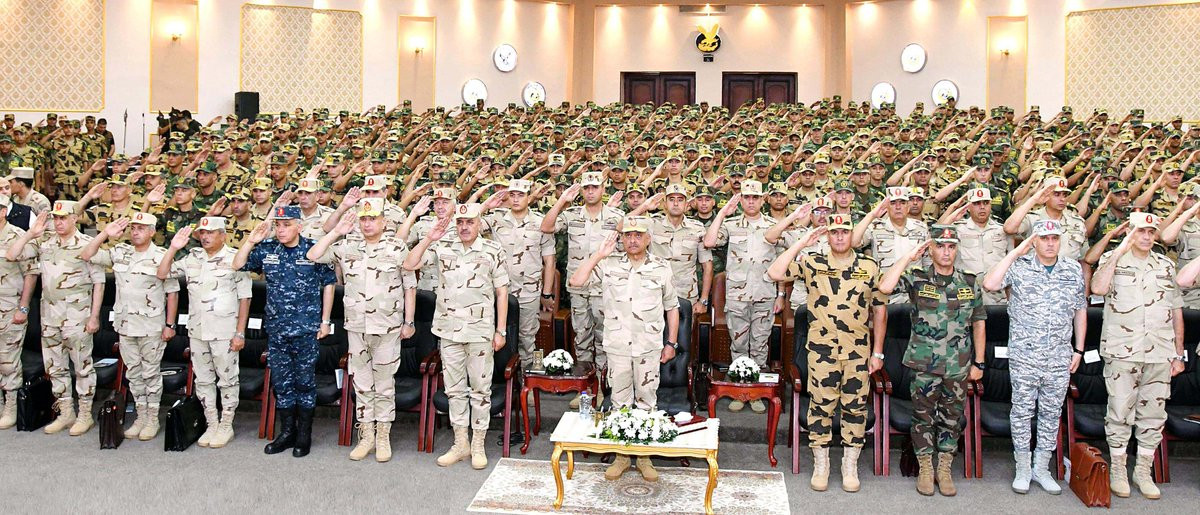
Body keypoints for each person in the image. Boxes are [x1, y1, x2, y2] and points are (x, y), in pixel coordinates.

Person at [766, 213, 884, 493]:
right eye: (834, 232)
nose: (840, 237)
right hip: (822, 351)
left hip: (857, 352)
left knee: (855, 408)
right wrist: (802, 243)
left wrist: (878, 353)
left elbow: (880, 310)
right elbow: (775, 273)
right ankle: (821, 464)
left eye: (845, 231)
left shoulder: (868, 266)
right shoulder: (813, 263)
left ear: (852, 235)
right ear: (827, 235)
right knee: (820, 407)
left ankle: (850, 464)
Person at [876, 226, 986, 496]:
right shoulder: (918, 278)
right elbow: (885, 287)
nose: (946, 252)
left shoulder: (969, 283)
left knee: (952, 418)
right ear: (931, 249)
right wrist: (909, 257)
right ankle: (925, 467)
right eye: (940, 246)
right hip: (924, 364)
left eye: (951, 247)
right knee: (922, 418)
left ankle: (944, 468)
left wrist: (979, 363)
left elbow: (979, 322)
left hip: (958, 365)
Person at [569, 216, 680, 482]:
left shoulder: (661, 267)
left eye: (638, 235)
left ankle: (643, 457)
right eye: (627, 235)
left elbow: (672, 307)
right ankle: (621, 456)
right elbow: (576, 281)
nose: (632, 240)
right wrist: (598, 255)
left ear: (648, 239)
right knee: (619, 403)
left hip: (648, 347)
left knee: (647, 401)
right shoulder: (608, 265)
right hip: (618, 346)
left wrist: (671, 343)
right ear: (621, 239)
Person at [982, 219, 1087, 495]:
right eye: (1044, 238)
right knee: (1022, 412)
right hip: (1025, 356)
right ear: (1034, 241)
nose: (1050, 243)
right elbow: (990, 283)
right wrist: (1017, 251)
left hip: (1059, 356)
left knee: (1051, 414)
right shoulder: (1019, 266)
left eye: (1055, 238)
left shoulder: (1072, 269)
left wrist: (1079, 349)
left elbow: (1079, 309)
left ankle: (1041, 468)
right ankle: (1023, 468)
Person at [309, 198, 417, 463]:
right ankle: (366, 435)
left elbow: (409, 286)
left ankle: (383, 436)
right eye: (363, 219)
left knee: (385, 384)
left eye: (373, 219)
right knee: (361, 382)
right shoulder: (347, 246)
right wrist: (336, 231)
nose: (367, 224)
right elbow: (313, 255)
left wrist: (409, 322)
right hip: (356, 326)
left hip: (387, 326)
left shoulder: (397, 247)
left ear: (384, 222)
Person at [404, 203, 509, 470]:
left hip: (479, 331)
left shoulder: (492, 250)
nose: (464, 227)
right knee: (454, 390)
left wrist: (501, 330)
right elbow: (409, 264)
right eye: (460, 222)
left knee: (481, 389)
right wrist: (429, 238)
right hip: (449, 330)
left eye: (470, 222)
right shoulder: (442, 247)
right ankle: (461, 443)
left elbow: (501, 292)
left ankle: (478, 444)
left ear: (480, 223)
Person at [1089, 212, 1185, 500]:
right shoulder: (1113, 259)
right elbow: (1097, 288)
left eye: (1151, 232)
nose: (1146, 236)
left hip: (1159, 351)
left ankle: (1143, 470)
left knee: (1153, 414)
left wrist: (1178, 354)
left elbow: (1176, 310)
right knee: (1119, 411)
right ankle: (1118, 468)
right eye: (1140, 231)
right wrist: (1120, 249)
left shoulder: (1165, 265)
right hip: (1122, 350)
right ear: (1130, 231)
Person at [234, 205, 337, 458]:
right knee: (282, 383)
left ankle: (304, 434)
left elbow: (329, 283)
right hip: (277, 329)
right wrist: (251, 241)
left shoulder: (312, 249)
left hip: (306, 328)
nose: (281, 230)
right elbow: (237, 265)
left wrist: (325, 320)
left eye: (287, 225)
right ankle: (287, 432)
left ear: (299, 226)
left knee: (304, 382)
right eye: (278, 225)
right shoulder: (268, 249)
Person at [6, 202, 105, 436]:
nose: (58, 223)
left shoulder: (86, 244)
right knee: (55, 367)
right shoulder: (45, 242)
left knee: (82, 367)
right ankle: (65, 412)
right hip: (50, 317)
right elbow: (12, 254)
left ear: (74, 218)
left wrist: (94, 316)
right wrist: (31, 233)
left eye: (63, 218)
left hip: (77, 317)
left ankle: (84, 414)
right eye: (56, 218)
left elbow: (99, 283)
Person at [80, 213, 180, 441]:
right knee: (133, 373)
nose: (135, 232)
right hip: (125, 325)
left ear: (152, 232)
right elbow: (86, 254)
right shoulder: (120, 252)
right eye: (133, 228)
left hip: (151, 326)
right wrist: (104, 234)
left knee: (151, 373)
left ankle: (152, 419)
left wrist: (170, 325)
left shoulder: (162, 256)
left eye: (141, 228)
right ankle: (141, 416)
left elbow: (172, 293)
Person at [157, 217, 252, 449]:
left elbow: (245, 298)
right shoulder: (192, 258)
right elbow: (162, 273)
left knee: (227, 380)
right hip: (198, 330)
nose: (205, 237)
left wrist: (240, 333)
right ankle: (211, 422)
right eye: (202, 233)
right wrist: (173, 248)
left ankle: (226, 424)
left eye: (211, 232)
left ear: (223, 235)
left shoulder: (235, 259)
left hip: (224, 332)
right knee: (203, 380)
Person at [541, 173, 624, 407]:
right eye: (586, 188)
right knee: (582, 339)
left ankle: (604, 388)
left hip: (605, 289)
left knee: (605, 340)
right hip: (578, 288)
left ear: (603, 189)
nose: (590, 191)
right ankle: (586, 388)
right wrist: (562, 201)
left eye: (595, 187)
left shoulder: (617, 217)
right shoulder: (571, 215)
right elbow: (546, 227)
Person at [703, 180, 784, 413]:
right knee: (738, 344)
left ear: (763, 199)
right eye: (746, 197)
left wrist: (780, 294)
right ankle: (739, 389)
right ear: (741, 200)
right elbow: (709, 242)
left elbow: (782, 262)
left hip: (765, 294)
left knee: (760, 345)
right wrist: (722, 213)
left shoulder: (773, 226)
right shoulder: (730, 225)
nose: (751, 201)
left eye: (755, 197)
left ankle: (756, 392)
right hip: (737, 296)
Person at [482, 179, 555, 371]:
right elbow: (468, 223)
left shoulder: (541, 223)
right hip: (498, 291)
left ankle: (528, 379)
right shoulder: (495, 219)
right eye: (512, 195)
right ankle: (498, 380)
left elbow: (549, 261)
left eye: (520, 195)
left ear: (529, 197)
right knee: (493, 336)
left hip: (528, 291)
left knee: (528, 338)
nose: (515, 199)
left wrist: (546, 294)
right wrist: (486, 205)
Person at [852, 186, 930, 303]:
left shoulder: (921, 228)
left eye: (902, 202)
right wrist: (872, 215)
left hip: (913, 294)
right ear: (886, 207)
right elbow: (853, 242)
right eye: (893, 203)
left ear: (908, 206)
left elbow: (928, 263)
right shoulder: (875, 227)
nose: (898, 207)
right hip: (883, 294)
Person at [0, 194, 36, 429]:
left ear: (3, 211)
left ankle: (11, 404)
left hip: (9, 306)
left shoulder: (18, 237)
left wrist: (23, 307)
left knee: (8, 359)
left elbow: (31, 274)